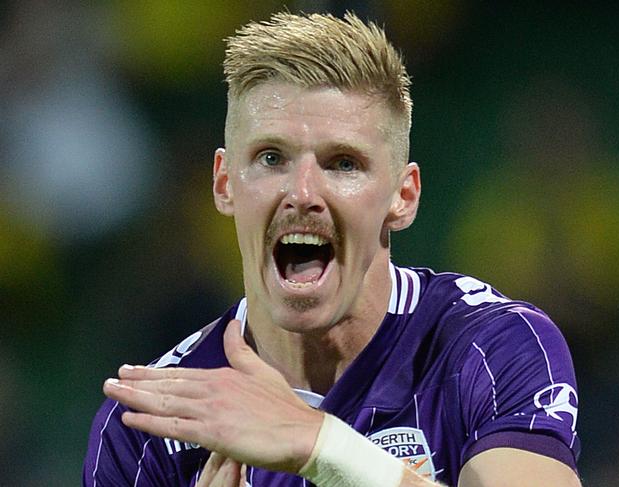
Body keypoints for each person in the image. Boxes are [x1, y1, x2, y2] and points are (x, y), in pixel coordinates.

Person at [83, 12, 581, 487]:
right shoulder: (147, 425)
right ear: (224, 184)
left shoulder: (487, 347)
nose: (303, 193)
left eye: (343, 163)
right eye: (271, 157)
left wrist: (320, 445)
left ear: (402, 197)